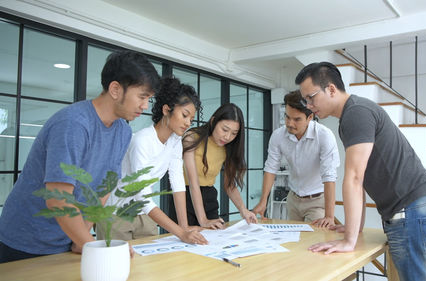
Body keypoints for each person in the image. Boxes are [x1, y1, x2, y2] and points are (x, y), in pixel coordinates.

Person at [0, 50, 160, 263]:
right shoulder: (73, 124)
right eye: (142, 96)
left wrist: (82, 238)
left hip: (66, 241)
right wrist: (94, 247)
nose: (145, 106)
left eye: (149, 98)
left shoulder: (123, 131)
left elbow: (103, 189)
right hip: (24, 240)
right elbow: (57, 198)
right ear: (115, 89)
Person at [295, 62, 426, 281]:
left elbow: (355, 178)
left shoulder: (356, 113)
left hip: (413, 210)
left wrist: (349, 241)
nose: (308, 105)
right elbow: (363, 178)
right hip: (416, 208)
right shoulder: (353, 114)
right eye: (305, 100)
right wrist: (354, 229)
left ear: (330, 89)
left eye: (311, 97)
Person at [96, 77, 207, 245]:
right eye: (184, 115)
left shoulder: (175, 141)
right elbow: (143, 195)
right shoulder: (142, 141)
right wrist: (180, 233)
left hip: (143, 214)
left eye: (191, 119)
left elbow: (177, 181)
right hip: (116, 213)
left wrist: (184, 227)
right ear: (166, 110)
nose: (187, 123)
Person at [252, 90, 340, 226]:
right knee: (294, 242)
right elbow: (270, 168)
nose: (290, 123)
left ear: (310, 117)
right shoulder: (278, 136)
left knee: (314, 242)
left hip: (317, 201)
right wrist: (263, 202)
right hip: (293, 199)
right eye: (287, 117)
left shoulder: (324, 136)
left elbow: (329, 176)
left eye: (297, 119)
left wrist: (329, 216)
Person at [170, 103, 257, 229]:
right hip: (185, 196)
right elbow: (194, 183)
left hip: (209, 198)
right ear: (213, 121)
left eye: (234, 133)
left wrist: (243, 210)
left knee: (214, 241)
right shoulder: (192, 138)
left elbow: (229, 184)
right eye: (225, 130)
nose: (227, 137)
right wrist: (203, 220)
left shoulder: (227, 148)